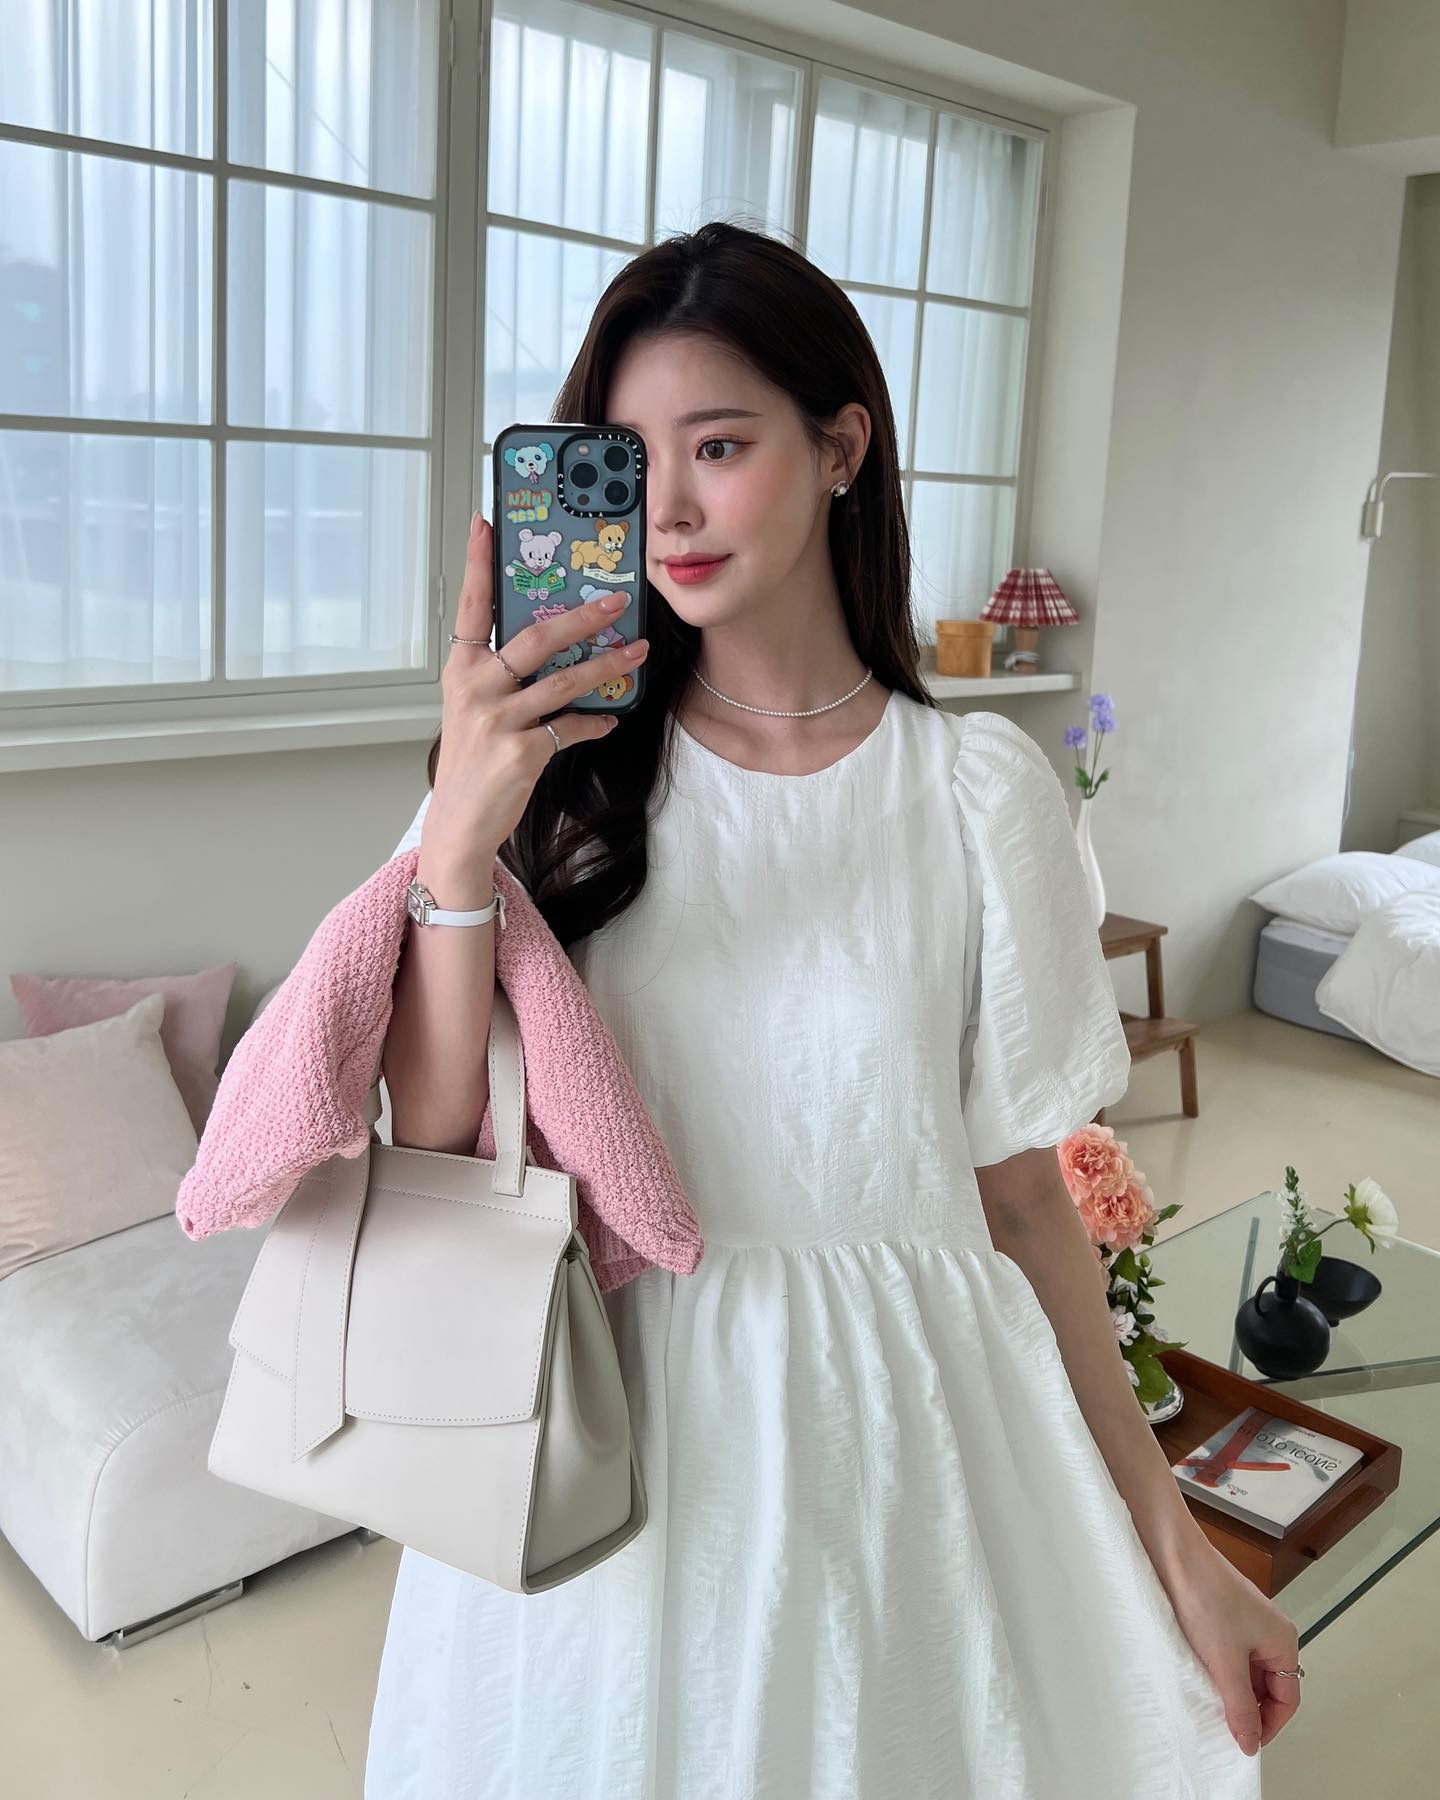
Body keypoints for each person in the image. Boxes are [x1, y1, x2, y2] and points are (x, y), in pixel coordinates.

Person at [363, 221, 1299, 1798]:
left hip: (909, 1429)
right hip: (613, 1432)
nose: (668, 508)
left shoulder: (981, 792)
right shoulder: (551, 778)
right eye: (631, 460)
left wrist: (1178, 1540)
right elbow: (436, 1126)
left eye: (720, 446)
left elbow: (1023, 1200)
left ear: (842, 447)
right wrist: (459, 832)